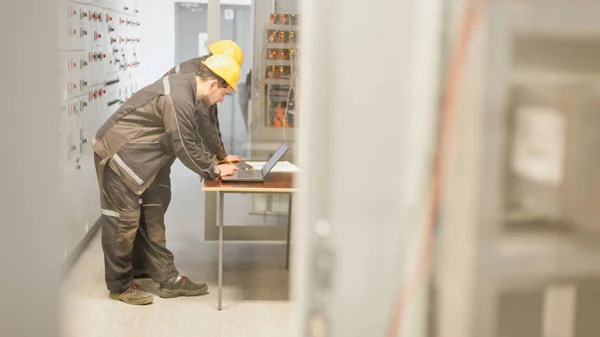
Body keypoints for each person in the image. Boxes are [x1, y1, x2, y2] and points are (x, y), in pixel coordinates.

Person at [92, 54, 241, 305]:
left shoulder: (189, 92)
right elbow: (183, 144)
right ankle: (119, 285)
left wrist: (214, 160)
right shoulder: (179, 96)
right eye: (225, 94)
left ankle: (159, 274)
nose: (222, 100)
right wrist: (213, 171)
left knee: (153, 212)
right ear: (213, 84)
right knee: (124, 221)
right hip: (118, 156)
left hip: (144, 159)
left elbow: (192, 135)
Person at [130, 40, 245, 280]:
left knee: (157, 199)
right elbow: (195, 131)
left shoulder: (201, 74)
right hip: (152, 147)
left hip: (159, 146)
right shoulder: (197, 79)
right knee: (156, 200)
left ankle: (146, 264)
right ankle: (160, 272)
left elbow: (209, 119)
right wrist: (212, 167)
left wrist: (220, 156)